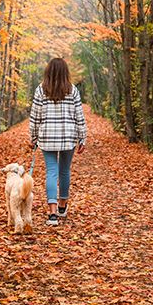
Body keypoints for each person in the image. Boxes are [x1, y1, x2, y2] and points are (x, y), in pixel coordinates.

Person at [29, 57, 87, 226]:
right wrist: (82, 137)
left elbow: (35, 117)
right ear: (65, 72)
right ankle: (62, 206)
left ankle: (52, 214)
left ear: (48, 71)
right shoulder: (72, 90)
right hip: (68, 137)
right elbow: (79, 117)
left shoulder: (41, 90)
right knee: (64, 171)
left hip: (47, 137)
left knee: (51, 172)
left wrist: (32, 137)